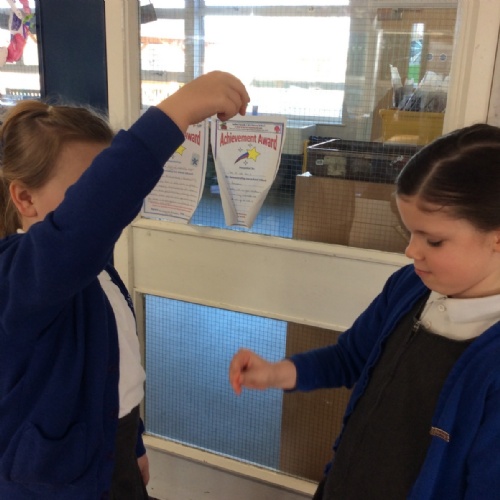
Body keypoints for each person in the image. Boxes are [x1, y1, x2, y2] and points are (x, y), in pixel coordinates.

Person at [0, 71, 249, 499]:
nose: (107, 208)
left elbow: (118, 369)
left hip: (109, 448)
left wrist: (133, 443)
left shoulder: (97, 272)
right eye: (86, 191)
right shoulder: (19, 276)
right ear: (25, 198)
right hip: (55, 481)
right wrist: (178, 110)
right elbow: (93, 214)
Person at [229, 123, 500, 499]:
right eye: (409, 233)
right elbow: (348, 357)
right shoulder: (410, 286)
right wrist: (277, 373)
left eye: (434, 240)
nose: (411, 251)